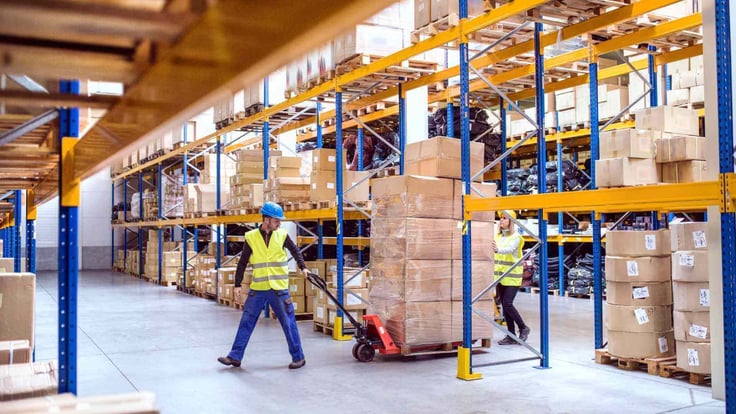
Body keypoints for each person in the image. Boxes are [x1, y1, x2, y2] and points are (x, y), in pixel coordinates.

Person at [218, 202, 310, 369]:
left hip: (278, 289)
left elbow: (295, 251)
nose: (279, 223)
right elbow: (243, 262)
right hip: (258, 289)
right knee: (246, 321)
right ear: (266, 219)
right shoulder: (251, 237)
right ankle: (235, 356)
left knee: (288, 323)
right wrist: (237, 284)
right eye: (276, 220)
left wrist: (303, 267)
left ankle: (299, 357)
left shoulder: (282, 235)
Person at [492, 210, 530, 345]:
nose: (501, 220)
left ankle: (523, 327)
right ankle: (511, 335)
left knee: (508, 303)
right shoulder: (497, 236)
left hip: (512, 277)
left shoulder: (517, 238)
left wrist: (497, 249)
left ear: (511, 222)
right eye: (500, 218)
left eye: (505, 218)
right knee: (504, 305)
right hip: (500, 276)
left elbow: (508, 249)